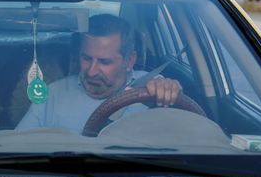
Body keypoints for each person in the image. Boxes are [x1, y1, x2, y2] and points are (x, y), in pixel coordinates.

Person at [16, 13, 182, 134]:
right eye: (86, 58)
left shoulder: (151, 90)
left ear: (129, 61)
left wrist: (170, 92)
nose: (91, 71)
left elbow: (184, 134)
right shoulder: (53, 94)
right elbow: (18, 147)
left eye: (104, 62)